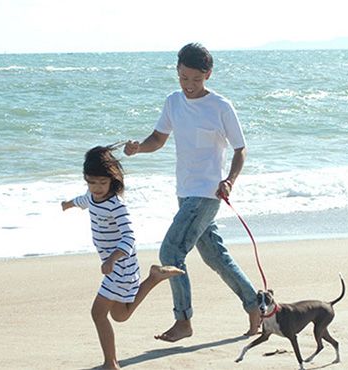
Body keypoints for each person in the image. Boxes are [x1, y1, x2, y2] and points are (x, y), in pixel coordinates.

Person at [123, 42, 260, 343]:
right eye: (183, 78)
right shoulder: (173, 101)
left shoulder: (221, 107)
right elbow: (158, 138)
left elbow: (240, 149)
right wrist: (138, 148)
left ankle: (183, 321)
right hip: (184, 192)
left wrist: (230, 180)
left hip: (208, 193)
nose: (189, 85)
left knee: (171, 253)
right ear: (177, 72)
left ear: (208, 74)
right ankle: (256, 306)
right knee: (216, 257)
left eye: (195, 80)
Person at [61, 145, 184, 369]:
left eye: (102, 183)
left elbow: (129, 237)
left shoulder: (117, 207)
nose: (97, 188)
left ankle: (111, 363)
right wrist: (68, 204)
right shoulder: (91, 197)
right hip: (116, 266)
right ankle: (154, 277)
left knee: (98, 313)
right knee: (120, 315)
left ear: (112, 180)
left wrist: (112, 259)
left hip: (120, 266)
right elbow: (83, 200)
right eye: (91, 182)